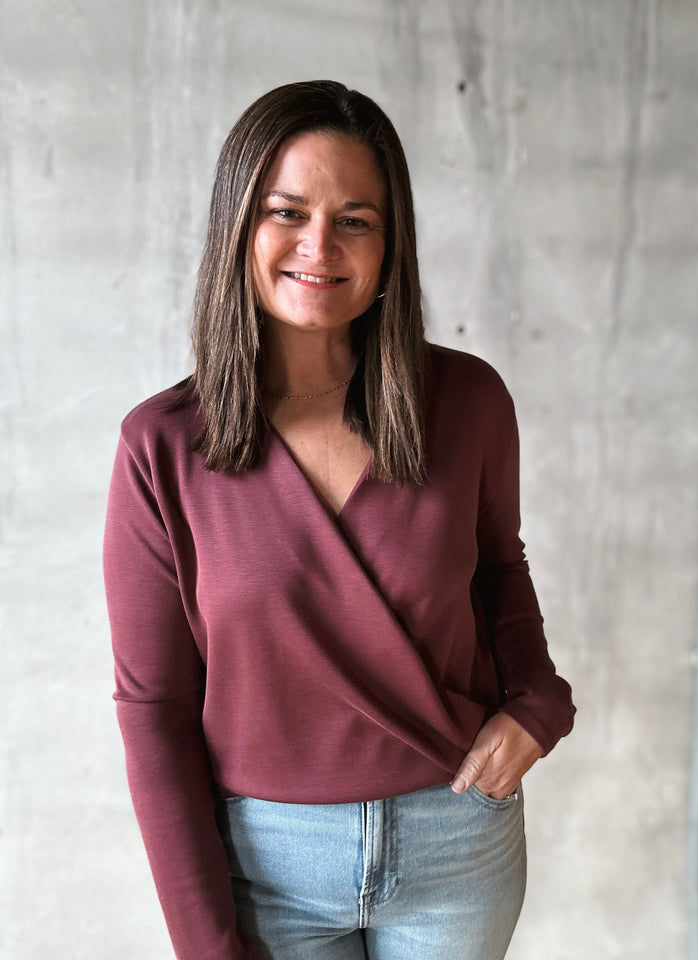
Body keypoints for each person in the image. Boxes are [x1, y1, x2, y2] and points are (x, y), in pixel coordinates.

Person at [104, 80, 575, 960]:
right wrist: (207, 946)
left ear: (391, 246)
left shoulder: (467, 402)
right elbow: (154, 711)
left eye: (356, 220)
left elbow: (497, 571)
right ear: (239, 225)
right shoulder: (161, 448)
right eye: (288, 211)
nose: (320, 246)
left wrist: (538, 701)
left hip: (456, 841)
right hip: (264, 867)